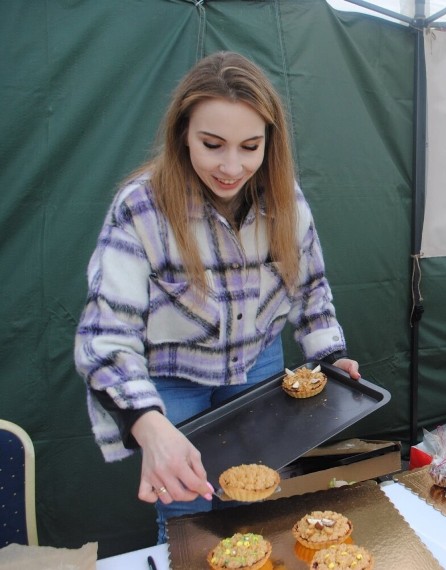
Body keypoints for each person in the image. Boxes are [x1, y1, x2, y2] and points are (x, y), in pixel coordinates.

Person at [74, 52, 360, 542]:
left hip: (259, 365)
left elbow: (311, 289)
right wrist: (147, 423)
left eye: (250, 147)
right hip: (172, 378)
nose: (232, 167)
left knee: (259, 501)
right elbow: (105, 338)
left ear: (270, 142)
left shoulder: (284, 199)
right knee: (189, 515)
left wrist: (331, 356)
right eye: (212, 145)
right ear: (183, 132)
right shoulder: (140, 206)